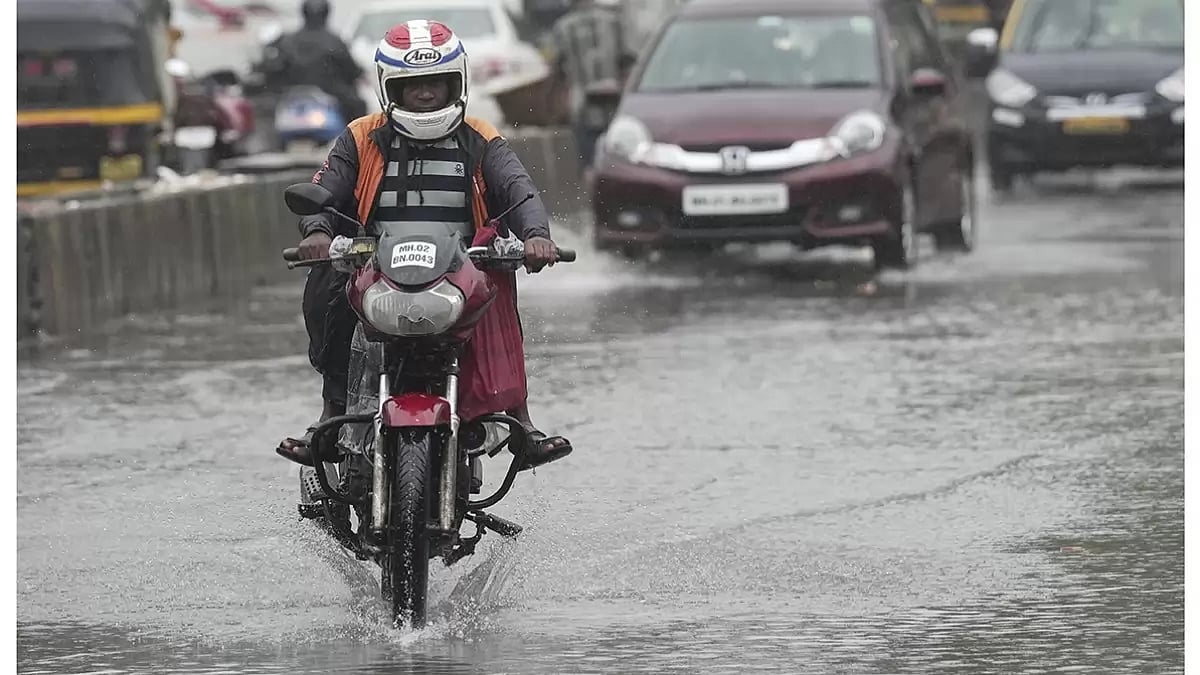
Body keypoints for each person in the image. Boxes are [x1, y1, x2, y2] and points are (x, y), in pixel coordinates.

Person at [275, 18, 573, 472]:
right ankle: (333, 413)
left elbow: (520, 190)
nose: (427, 93)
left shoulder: (481, 137)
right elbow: (326, 190)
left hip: (460, 268)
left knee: (498, 295)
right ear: (389, 88)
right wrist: (317, 232)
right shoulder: (358, 136)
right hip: (374, 266)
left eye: (436, 82)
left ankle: (520, 421)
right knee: (329, 289)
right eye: (413, 85)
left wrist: (536, 237)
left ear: (457, 82)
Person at [546, 0, 636, 172]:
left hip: (581, 106)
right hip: (616, 104)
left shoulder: (563, 28)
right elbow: (629, 64)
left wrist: (551, 105)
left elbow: (556, 73)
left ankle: (593, 191)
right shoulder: (614, 21)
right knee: (620, 160)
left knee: (589, 165)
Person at [259, 0, 366, 121]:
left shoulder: (288, 40)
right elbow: (351, 69)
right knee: (359, 107)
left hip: (292, 95)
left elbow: (276, 68)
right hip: (329, 92)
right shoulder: (334, 41)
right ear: (326, 13)